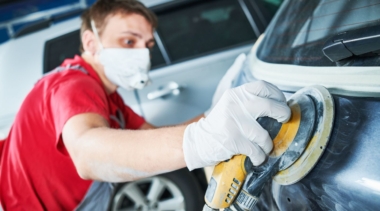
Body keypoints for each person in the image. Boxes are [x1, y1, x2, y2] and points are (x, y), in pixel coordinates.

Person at [0, 0, 291, 210]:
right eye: (129, 42)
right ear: (91, 43)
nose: (142, 54)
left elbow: (154, 137)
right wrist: (201, 139)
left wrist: (212, 115)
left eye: (147, 44)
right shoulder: (72, 85)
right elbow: (88, 154)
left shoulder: (111, 99)